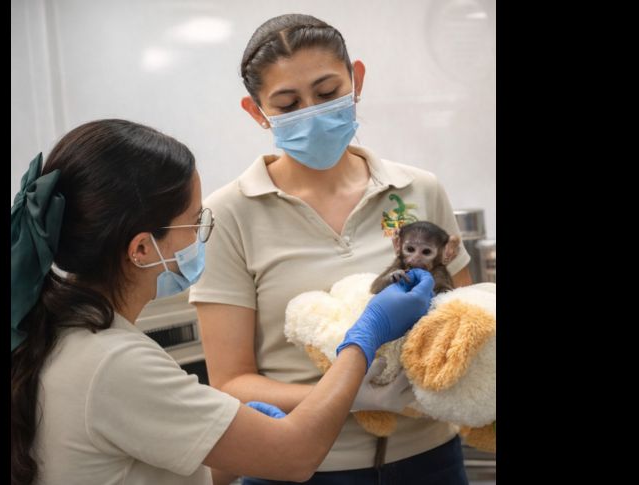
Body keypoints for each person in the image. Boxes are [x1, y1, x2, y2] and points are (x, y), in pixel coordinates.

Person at [10, 118, 435, 485]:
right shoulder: (112, 363)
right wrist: (365, 336)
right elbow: (295, 456)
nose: (201, 235)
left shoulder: (60, 334)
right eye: (194, 222)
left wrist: (236, 445)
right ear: (141, 249)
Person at [189, 13, 473, 485]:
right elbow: (231, 383)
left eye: (326, 93)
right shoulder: (228, 214)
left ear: (355, 79)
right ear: (257, 112)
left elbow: (467, 322)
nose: (313, 113)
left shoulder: (419, 189)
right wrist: (349, 396)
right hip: (302, 467)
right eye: (288, 104)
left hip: (431, 458)